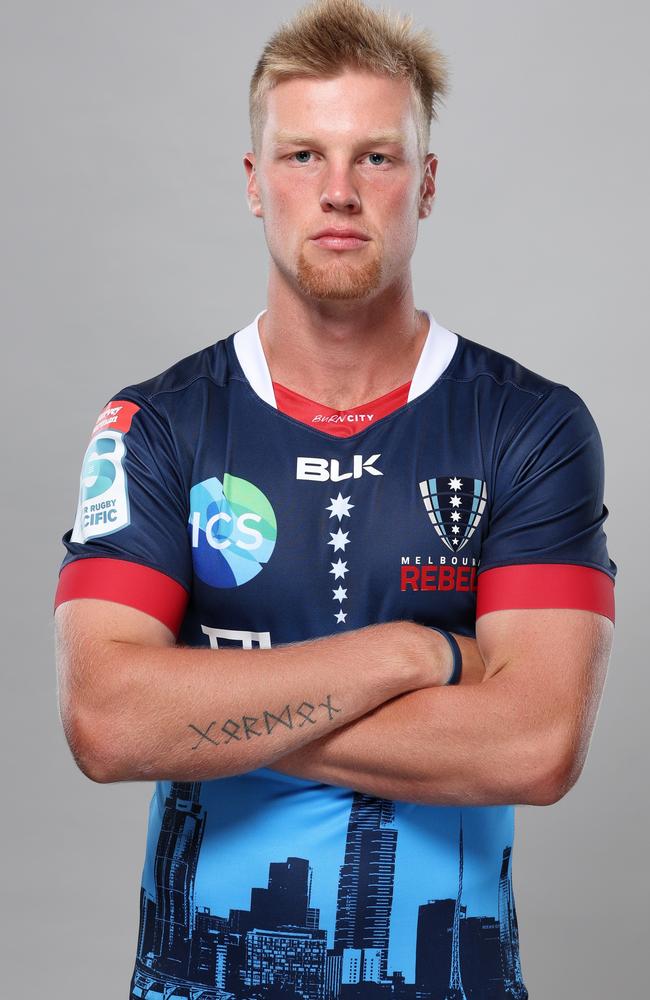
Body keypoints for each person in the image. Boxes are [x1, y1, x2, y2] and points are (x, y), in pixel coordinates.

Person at [54, 1, 616, 997]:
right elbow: (105, 721)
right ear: (252, 182)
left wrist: (205, 712)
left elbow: (532, 745)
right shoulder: (152, 426)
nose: (339, 193)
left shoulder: (528, 426)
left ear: (426, 184)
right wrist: (415, 657)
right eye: (303, 155)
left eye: (377, 157)